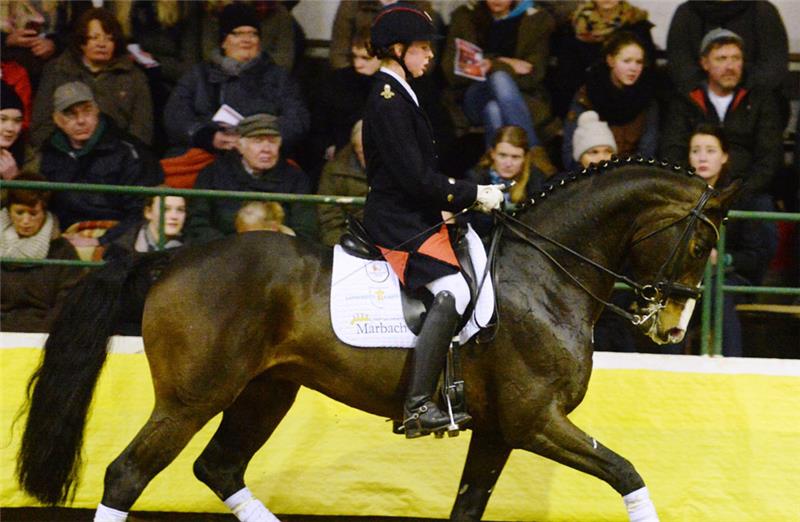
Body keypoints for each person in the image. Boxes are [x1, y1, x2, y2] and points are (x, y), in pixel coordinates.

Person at [364, 3, 504, 438]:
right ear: (397, 49)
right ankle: (418, 403)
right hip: (397, 218)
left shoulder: (404, 91)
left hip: (414, 211)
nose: (429, 56)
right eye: (422, 48)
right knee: (453, 290)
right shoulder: (387, 97)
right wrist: (472, 193)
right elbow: (412, 177)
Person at [164, 2, 309, 156]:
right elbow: (175, 114)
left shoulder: (279, 77)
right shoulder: (199, 75)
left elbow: (297, 119)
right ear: (224, 41)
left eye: (253, 34)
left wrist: (260, 138)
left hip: (262, 154)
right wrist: (208, 136)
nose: (247, 39)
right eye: (238, 33)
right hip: (207, 152)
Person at [35, 81, 164, 255]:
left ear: (97, 111)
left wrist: (101, 240)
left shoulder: (128, 151)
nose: (81, 121)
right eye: (70, 114)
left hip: (119, 237)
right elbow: (43, 207)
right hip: (65, 236)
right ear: (57, 120)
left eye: (87, 111)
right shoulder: (48, 153)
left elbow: (141, 211)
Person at [687, 124, 778, 357]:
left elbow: (755, 255)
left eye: (710, 150)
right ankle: (664, 372)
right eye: (695, 151)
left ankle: (728, 366)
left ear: (725, 156)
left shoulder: (743, 198)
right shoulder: (679, 196)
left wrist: (722, 257)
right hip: (687, 278)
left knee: (719, 292)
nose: (702, 157)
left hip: (732, 277)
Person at [659, 28, 783, 197]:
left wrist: (737, 193)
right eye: (721, 59)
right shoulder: (685, 101)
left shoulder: (760, 99)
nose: (730, 66)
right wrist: (696, 190)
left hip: (748, 194)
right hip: (693, 192)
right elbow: (673, 152)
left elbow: (769, 158)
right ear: (705, 63)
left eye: (736, 58)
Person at [442, 0, 559, 174]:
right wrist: (502, 63)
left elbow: (533, 75)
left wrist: (490, 64)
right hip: (473, 96)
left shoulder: (536, 19)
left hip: (521, 97)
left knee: (494, 109)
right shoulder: (465, 16)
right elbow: (451, 71)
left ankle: (495, 172)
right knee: (499, 78)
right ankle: (534, 152)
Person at [185, 113, 317, 244]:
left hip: (277, 255)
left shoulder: (295, 178)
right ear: (240, 146)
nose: (266, 149)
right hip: (224, 254)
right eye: (257, 141)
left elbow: (305, 230)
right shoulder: (213, 174)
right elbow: (198, 222)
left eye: (272, 141)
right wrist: (229, 248)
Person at [30, 7, 154, 147]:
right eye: (94, 38)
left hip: (117, 156)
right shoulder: (56, 70)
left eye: (109, 39)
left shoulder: (134, 76)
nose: (102, 44)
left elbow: (141, 130)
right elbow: (40, 126)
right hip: (64, 153)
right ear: (82, 42)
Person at [1, 172, 85, 333]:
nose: (26, 221)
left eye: (33, 214)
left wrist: (44, 332)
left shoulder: (62, 250)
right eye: (19, 213)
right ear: (9, 212)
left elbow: (69, 299)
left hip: (44, 332)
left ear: (44, 212)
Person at [562, 30, 657, 170]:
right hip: (588, 178)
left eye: (639, 62)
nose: (633, 68)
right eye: (627, 61)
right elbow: (570, 153)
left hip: (631, 178)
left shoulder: (647, 99)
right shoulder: (587, 94)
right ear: (611, 60)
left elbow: (647, 151)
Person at [548, 0, 655, 120]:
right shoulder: (575, 23)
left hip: (630, 102)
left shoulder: (637, 24)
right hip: (585, 102)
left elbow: (648, 74)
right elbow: (565, 75)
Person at [666, 1, 789, 100]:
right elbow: (680, 67)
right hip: (698, 103)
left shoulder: (763, 11)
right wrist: (713, 97)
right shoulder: (686, 12)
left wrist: (737, 98)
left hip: (754, 103)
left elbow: (773, 68)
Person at [467, 125, 543, 240]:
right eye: (502, 155)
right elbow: (475, 224)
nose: (508, 163)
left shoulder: (535, 178)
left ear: (525, 158)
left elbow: (539, 219)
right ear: (492, 153)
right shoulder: (476, 179)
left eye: (515, 157)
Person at [200, 0, 297, 73]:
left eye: (268, 4)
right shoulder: (227, 12)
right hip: (226, 73)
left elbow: (286, 59)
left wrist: (255, 65)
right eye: (257, 4)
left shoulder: (282, 15)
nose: (263, 8)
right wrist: (226, 63)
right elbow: (209, 52)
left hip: (267, 77)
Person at [317, 120, 368, 248]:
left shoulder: (400, 168)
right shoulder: (335, 171)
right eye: (363, 152)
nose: (369, 157)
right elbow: (329, 222)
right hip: (350, 241)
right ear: (354, 148)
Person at [105, 194, 186, 258]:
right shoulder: (120, 248)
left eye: (180, 210)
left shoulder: (192, 248)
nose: (174, 216)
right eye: (165, 209)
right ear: (148, 212)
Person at [1, 80, 26, 180]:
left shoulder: (28, 156)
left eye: (17, 121)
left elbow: (36, 195)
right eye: (3, 119)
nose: (11, 128)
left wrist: (14, 178)